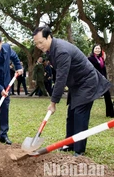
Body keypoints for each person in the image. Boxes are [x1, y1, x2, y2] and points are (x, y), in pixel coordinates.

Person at [33, 26, 111, 156]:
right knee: (71, 113)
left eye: (41, 42)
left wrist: (53, 102)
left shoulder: (61, 51)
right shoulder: (51, 49)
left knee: (80, 114)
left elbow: (61, 78)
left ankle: (78, 150)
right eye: (36, 43)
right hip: (76, 83)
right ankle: (69, 144)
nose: (39, 46)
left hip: (87, 82)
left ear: (49, 37)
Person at [88, 44, 114, 117]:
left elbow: (103, 69)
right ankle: (85, 112)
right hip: (95, 80)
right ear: (93, 50)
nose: (97, 50)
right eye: (96, 48)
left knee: (107, 95)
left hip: (102, 80)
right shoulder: (90, 59)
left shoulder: (101, 59)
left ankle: (110, 113)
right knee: (91, 97)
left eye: (99, 48)